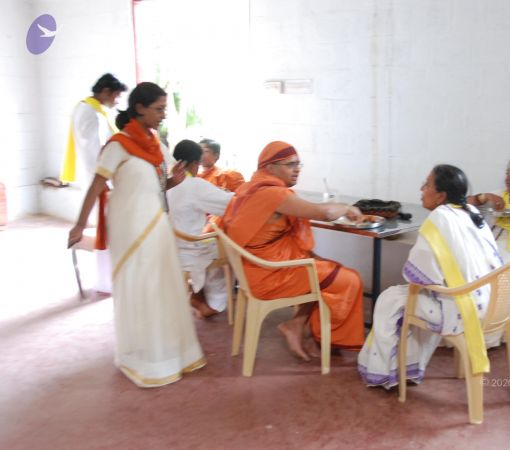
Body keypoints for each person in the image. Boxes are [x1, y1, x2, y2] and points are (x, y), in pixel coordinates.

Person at [67, 82, 205, 388]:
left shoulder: (155, 143)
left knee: (162, 287)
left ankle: (170, 353)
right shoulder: (118, 145)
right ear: (140, 108)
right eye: (158, 109)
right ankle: (143, 357)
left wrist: (173, 181)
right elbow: (97, 186)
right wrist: (79, 225)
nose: (163, 115)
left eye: (164, 109)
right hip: (131, 227)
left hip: (157, 224)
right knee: (142, 286)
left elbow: (155, 186)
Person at [358, 165, 502, 388]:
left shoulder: (440, 218)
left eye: (426, 184)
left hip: (461, 307)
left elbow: (419, 276)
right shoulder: (471, 212)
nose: (421, 189)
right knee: (406, 298)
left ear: (441, 196)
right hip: (488, 301)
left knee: (389, 299)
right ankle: (407, 367)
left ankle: (387, 372)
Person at [220, 141, 365, 361]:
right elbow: (324, 214)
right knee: (349, 279)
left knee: (321, 266)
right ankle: (321, 338)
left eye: (298, 164)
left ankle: (297, 325)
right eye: (290, 165)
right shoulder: (273, 194)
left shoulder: (249, 188)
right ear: (270, 167)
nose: (297, 169)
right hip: (269, 276)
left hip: (253, 269)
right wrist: (346, 207)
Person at [60, 73, 128, 294]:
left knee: (109, 231)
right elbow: (92, 151)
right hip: (99, 181)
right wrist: (103, 180)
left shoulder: (95, 110)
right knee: (106, 233)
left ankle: (110, 276)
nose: (117, 101)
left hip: (102, 179)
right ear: (106, 91)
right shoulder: (88, 111)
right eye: (116, 96)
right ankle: (106, 279)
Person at [167, 139, 233, 318]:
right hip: (190, 246)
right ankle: (213, 302)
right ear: (195, 163)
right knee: (231, 251)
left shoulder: (167, 182)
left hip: (171, 244)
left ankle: (198, 293)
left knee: (212, 239)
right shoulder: (195, 184)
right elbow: (230, 205)